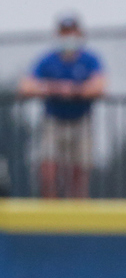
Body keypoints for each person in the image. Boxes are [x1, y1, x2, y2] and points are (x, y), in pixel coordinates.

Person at [19, 16, 106, 198]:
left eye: (72, 33)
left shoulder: (90, 59)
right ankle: (49, 213)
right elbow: (26, 86)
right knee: (48, 169)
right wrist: (54, 88)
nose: (68, 38)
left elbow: (99, 86)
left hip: (81, 121)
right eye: (64, 33)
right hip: (53, 121)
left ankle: (77, 217)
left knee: (79, 171)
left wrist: (74, 91)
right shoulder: (47, 59)